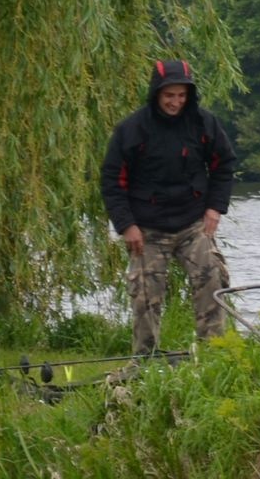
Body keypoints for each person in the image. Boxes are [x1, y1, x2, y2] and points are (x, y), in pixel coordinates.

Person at [101, 58, 237, 353]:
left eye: (181, 95)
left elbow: (224, 165)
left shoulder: (204, 124)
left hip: (193, 224)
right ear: (156, 93)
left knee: (212, 279)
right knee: (144, 294)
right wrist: (126, 225)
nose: (175, 102)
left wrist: (215, 208)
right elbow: (112, 181)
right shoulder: (131, 130)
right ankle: (144, 359)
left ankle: (215, 355)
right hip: (146, 229)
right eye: (169, 95)